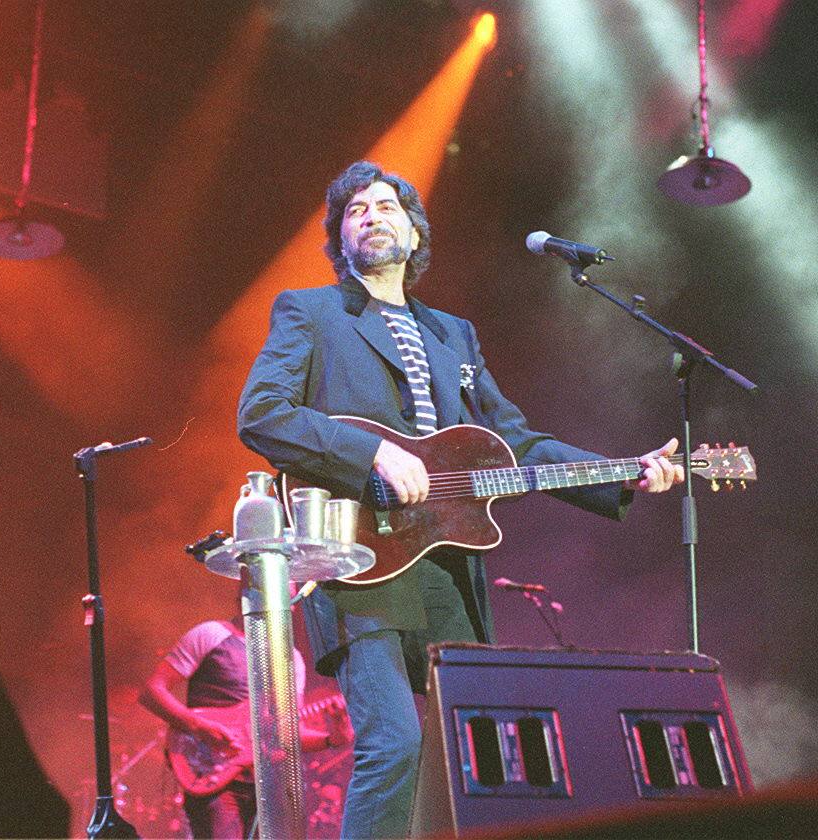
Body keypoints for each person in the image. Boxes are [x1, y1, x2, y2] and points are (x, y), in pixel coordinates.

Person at [236, 160, 685, 838]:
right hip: (359, 559)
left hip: (448, 565)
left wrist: (620, 471)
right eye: (356, 210)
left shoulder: (454, 334)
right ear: (340, 239)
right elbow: (262, 415)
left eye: (387, 206)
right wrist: (371, 454)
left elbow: (517, 445)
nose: (372, 215)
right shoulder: (311, 311)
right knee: (395, 743)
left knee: (479, 758)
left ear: (414, 234)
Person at [141, 612, 352, 840]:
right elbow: (152, 692)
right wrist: (198, 726)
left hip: (269, 784)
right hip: (212, 772)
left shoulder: (290, 658)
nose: (290, 601)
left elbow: (285, 732)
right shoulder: (211, 634)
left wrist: (332, 738)